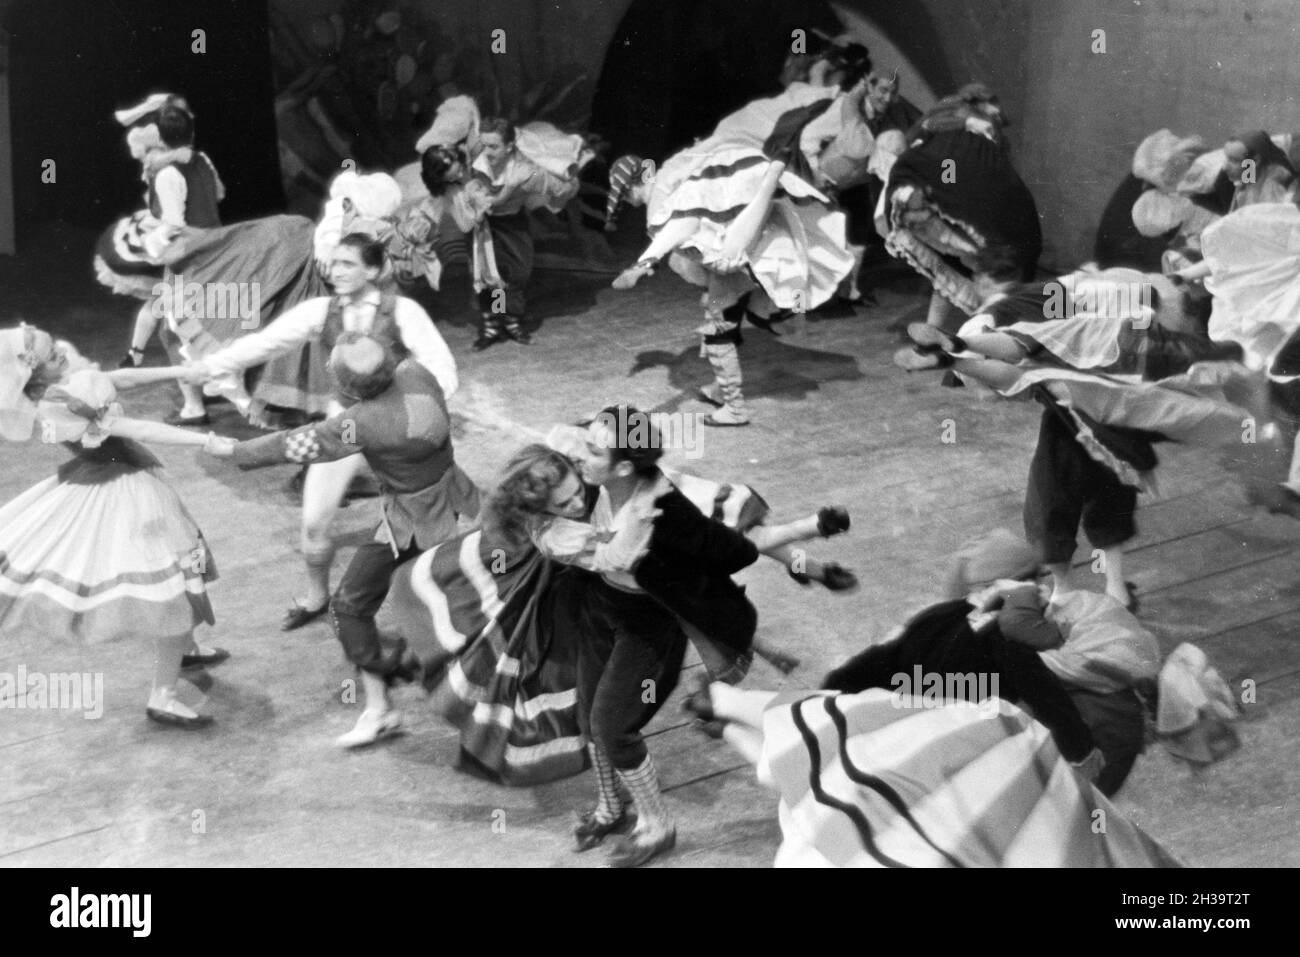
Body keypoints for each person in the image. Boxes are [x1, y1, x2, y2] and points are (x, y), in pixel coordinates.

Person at [183, 233, 459, 631]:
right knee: (313, 524)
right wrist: (209, 367)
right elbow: (265, 343)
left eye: (348, 263)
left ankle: (447, 606)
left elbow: (441, 367)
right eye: (333, 262)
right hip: (348, 426)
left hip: (399, 428)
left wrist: (417, 408)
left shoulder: (404, 311)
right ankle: (317, 594)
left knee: (429, 523)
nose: (336, 270)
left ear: (374, 269)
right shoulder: (321, 310)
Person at [222, 334, 479, 746]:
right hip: (449, 500)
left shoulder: (363, 422)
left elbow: (295, 443)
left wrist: (232, 450)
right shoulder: (416, 373)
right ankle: (381, 708)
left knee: (350, 608)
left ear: (347, 389)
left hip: (413, 521)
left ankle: (399, 671)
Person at [0, 325, 230, 727]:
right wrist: (204, 441)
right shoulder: (63, 404)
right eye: (53, 356)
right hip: (122, 492)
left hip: (122, 478)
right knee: (174, 583)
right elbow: (134, 429)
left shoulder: (65, 387)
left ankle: (187, 648)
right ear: (32, 374)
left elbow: (119, 378)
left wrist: (176, 373)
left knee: (179, 568)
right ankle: (163, 695)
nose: (63, 354)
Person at [680, 684, 1180, 867]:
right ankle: (725, 721)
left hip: (898, 776)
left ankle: (725, 714)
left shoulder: (1006, 728)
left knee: (811, 770)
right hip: (885, 822)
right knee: (803, 787)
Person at [883, 84, 1041, 367]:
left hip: (946, 195)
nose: (998, 115)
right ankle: (975, 345)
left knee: (953, 273)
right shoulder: (960, 113)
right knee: (975, 270)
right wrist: (966, 121)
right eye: (995, 108)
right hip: (946, 187)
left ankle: (941, 344)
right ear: (982, 100)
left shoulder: (976, 131)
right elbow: (927, 125)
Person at [92, 93, 226, 423]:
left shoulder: (166, 174)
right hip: (218, 251)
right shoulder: (202, 160)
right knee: (209, 325)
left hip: (189, 259)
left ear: (160, 140)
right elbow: (219, 193)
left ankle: (195, 406)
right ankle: (214, 385)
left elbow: (175, 224)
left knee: (175, 332)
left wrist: (151, 244)